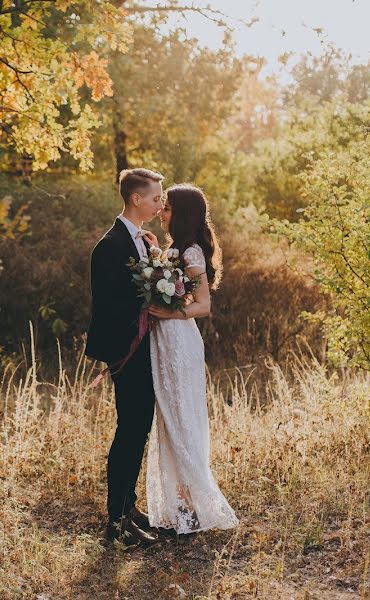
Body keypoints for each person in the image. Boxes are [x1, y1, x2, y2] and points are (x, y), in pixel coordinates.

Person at [145, 183, 238, 534]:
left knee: (182, 419)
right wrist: (156, 256)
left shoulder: (193, 253)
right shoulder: (176, 249)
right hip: (165, 342)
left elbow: (202, 305)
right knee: (170, 420)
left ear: (180, 214)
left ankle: (193, 507)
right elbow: (171, 285)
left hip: (180, 342)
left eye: (166, 208)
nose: (161, 213)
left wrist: (168, 315)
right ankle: (182, 506)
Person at [85, 167, 165, 548]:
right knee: (130, 433)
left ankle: (127, 507)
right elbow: (108, 304)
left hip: (147, 349)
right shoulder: (111, 245)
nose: (159, 203)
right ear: (136, 198)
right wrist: (151, 302)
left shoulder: (143, 241)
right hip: (127, 351)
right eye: (154, 197)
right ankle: (115, 524)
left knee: (139, 430)